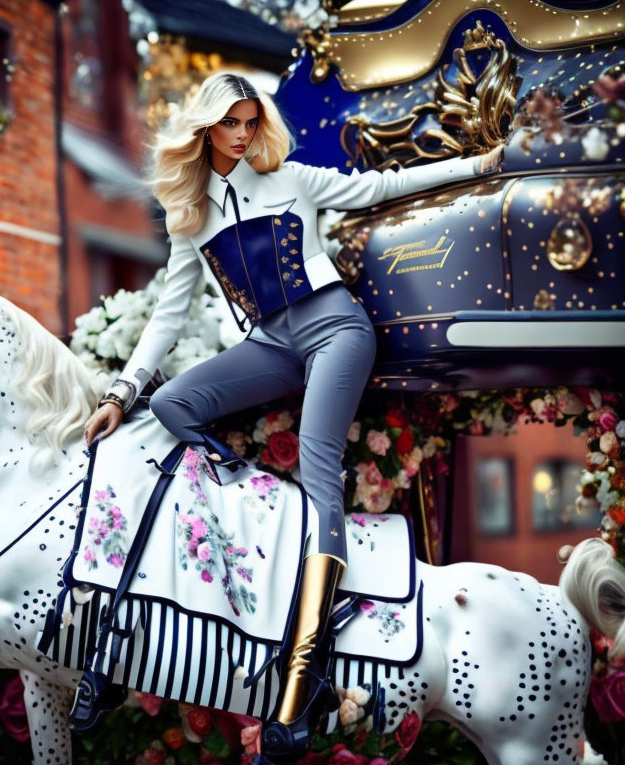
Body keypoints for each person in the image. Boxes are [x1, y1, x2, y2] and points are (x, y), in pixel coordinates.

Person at [82, 71, 504, 761]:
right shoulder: (190, 213)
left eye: (252, 121)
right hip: (269, 343)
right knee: (172, 402)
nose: (244, 135)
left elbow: (379, 189)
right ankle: (255, 500)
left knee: (316, 463)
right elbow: (169, 311)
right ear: (206, 129)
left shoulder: (291, 178)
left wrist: (478, 165)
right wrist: (120, 393)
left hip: (336, 327)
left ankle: (304, 675)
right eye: (231, 124)